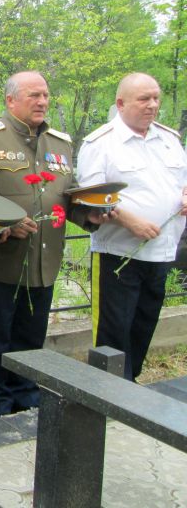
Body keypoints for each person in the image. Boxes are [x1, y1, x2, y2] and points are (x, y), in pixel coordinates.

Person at [0, 71, 103, 418]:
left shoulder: (60, 144)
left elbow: (66, 197)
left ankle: (26, 395)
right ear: (10, 100)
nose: (42, 102)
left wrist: (92, 215)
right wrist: (4, 225)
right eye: (33, 96)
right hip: (1, 261)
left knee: (31, 335)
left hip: (44, 262)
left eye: (45, 95)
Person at [77, 72, 187, 380]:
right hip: (119, 255)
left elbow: (181, 184)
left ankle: (130, 388)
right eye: (144, 99)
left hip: (162, 252)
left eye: (156, 98)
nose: (152, 105)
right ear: (121, 103)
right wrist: (130, 221)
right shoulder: (101, 143)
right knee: (113, 336)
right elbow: (92, 195)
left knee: (143, 326)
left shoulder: (168, 140)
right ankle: (108, 397)